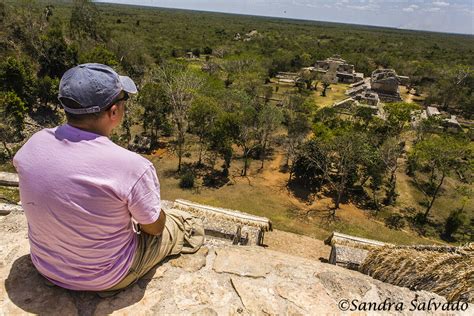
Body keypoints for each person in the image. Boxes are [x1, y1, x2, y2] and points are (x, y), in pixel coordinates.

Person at [13, 63, 204, 295]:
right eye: (124, 101)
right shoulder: (132, 166)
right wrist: (157, 215)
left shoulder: (34, 144)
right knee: (181, 223)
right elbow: (154, 229)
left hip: (46, 267)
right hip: (107, 277)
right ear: (114, 112)